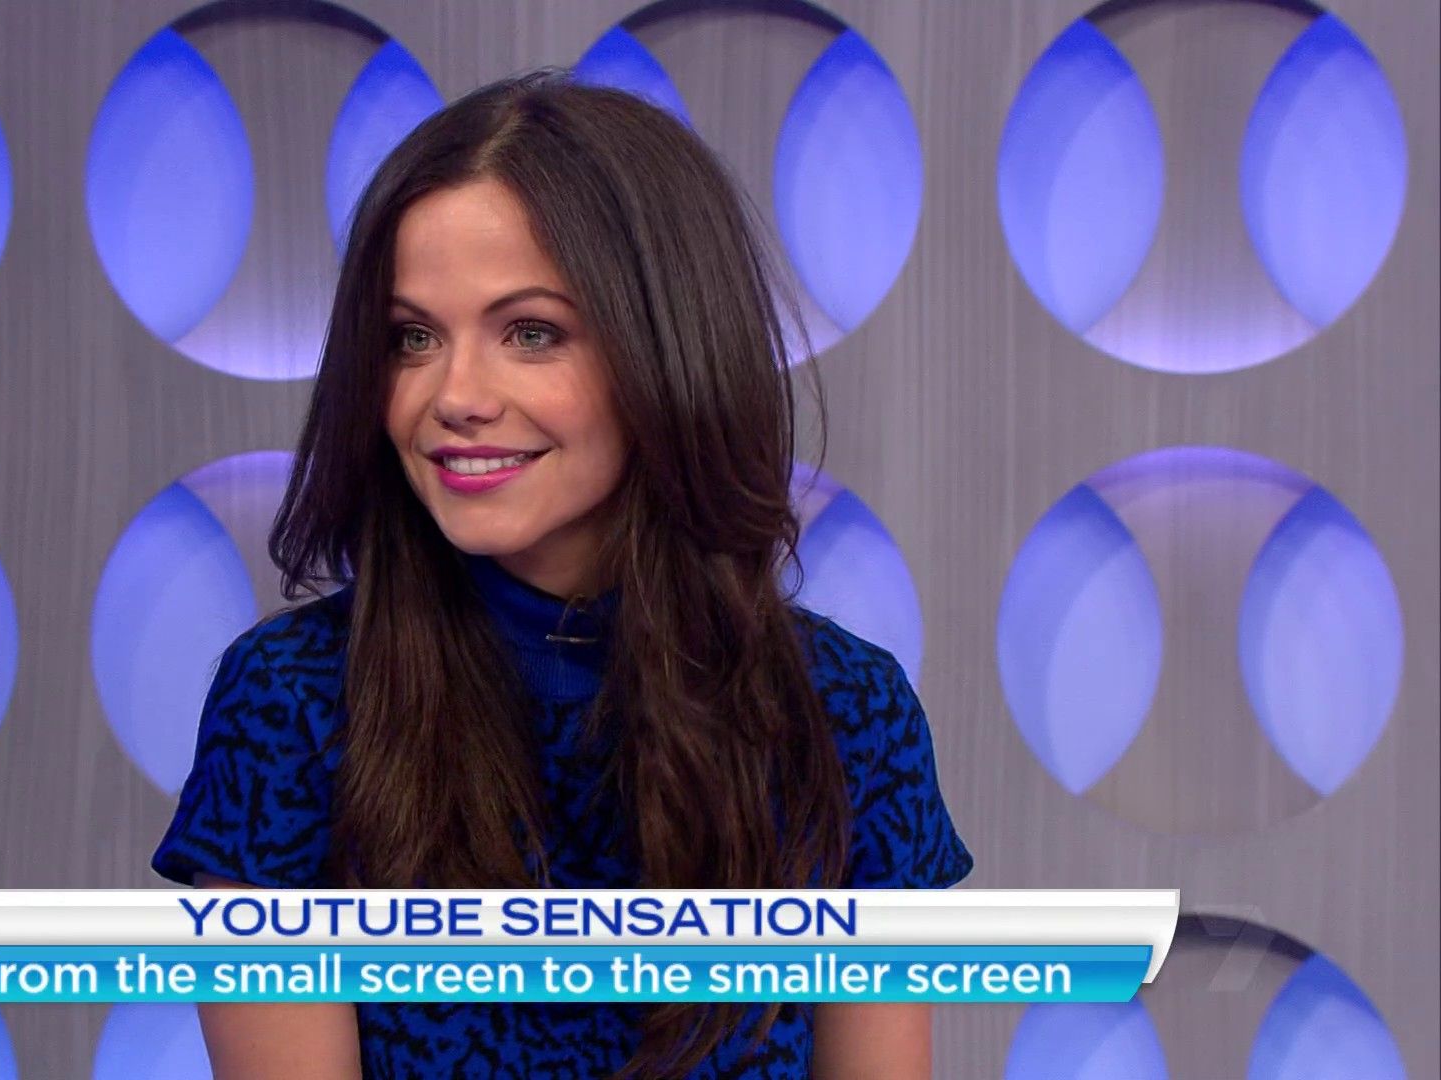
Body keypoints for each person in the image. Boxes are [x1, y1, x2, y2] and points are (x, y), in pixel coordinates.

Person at [152, 70, 972, 1079]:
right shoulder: (292, 706)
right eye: (412, 338)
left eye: (530, 332)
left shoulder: (848, 716)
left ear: (666, 350)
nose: (455, 396)